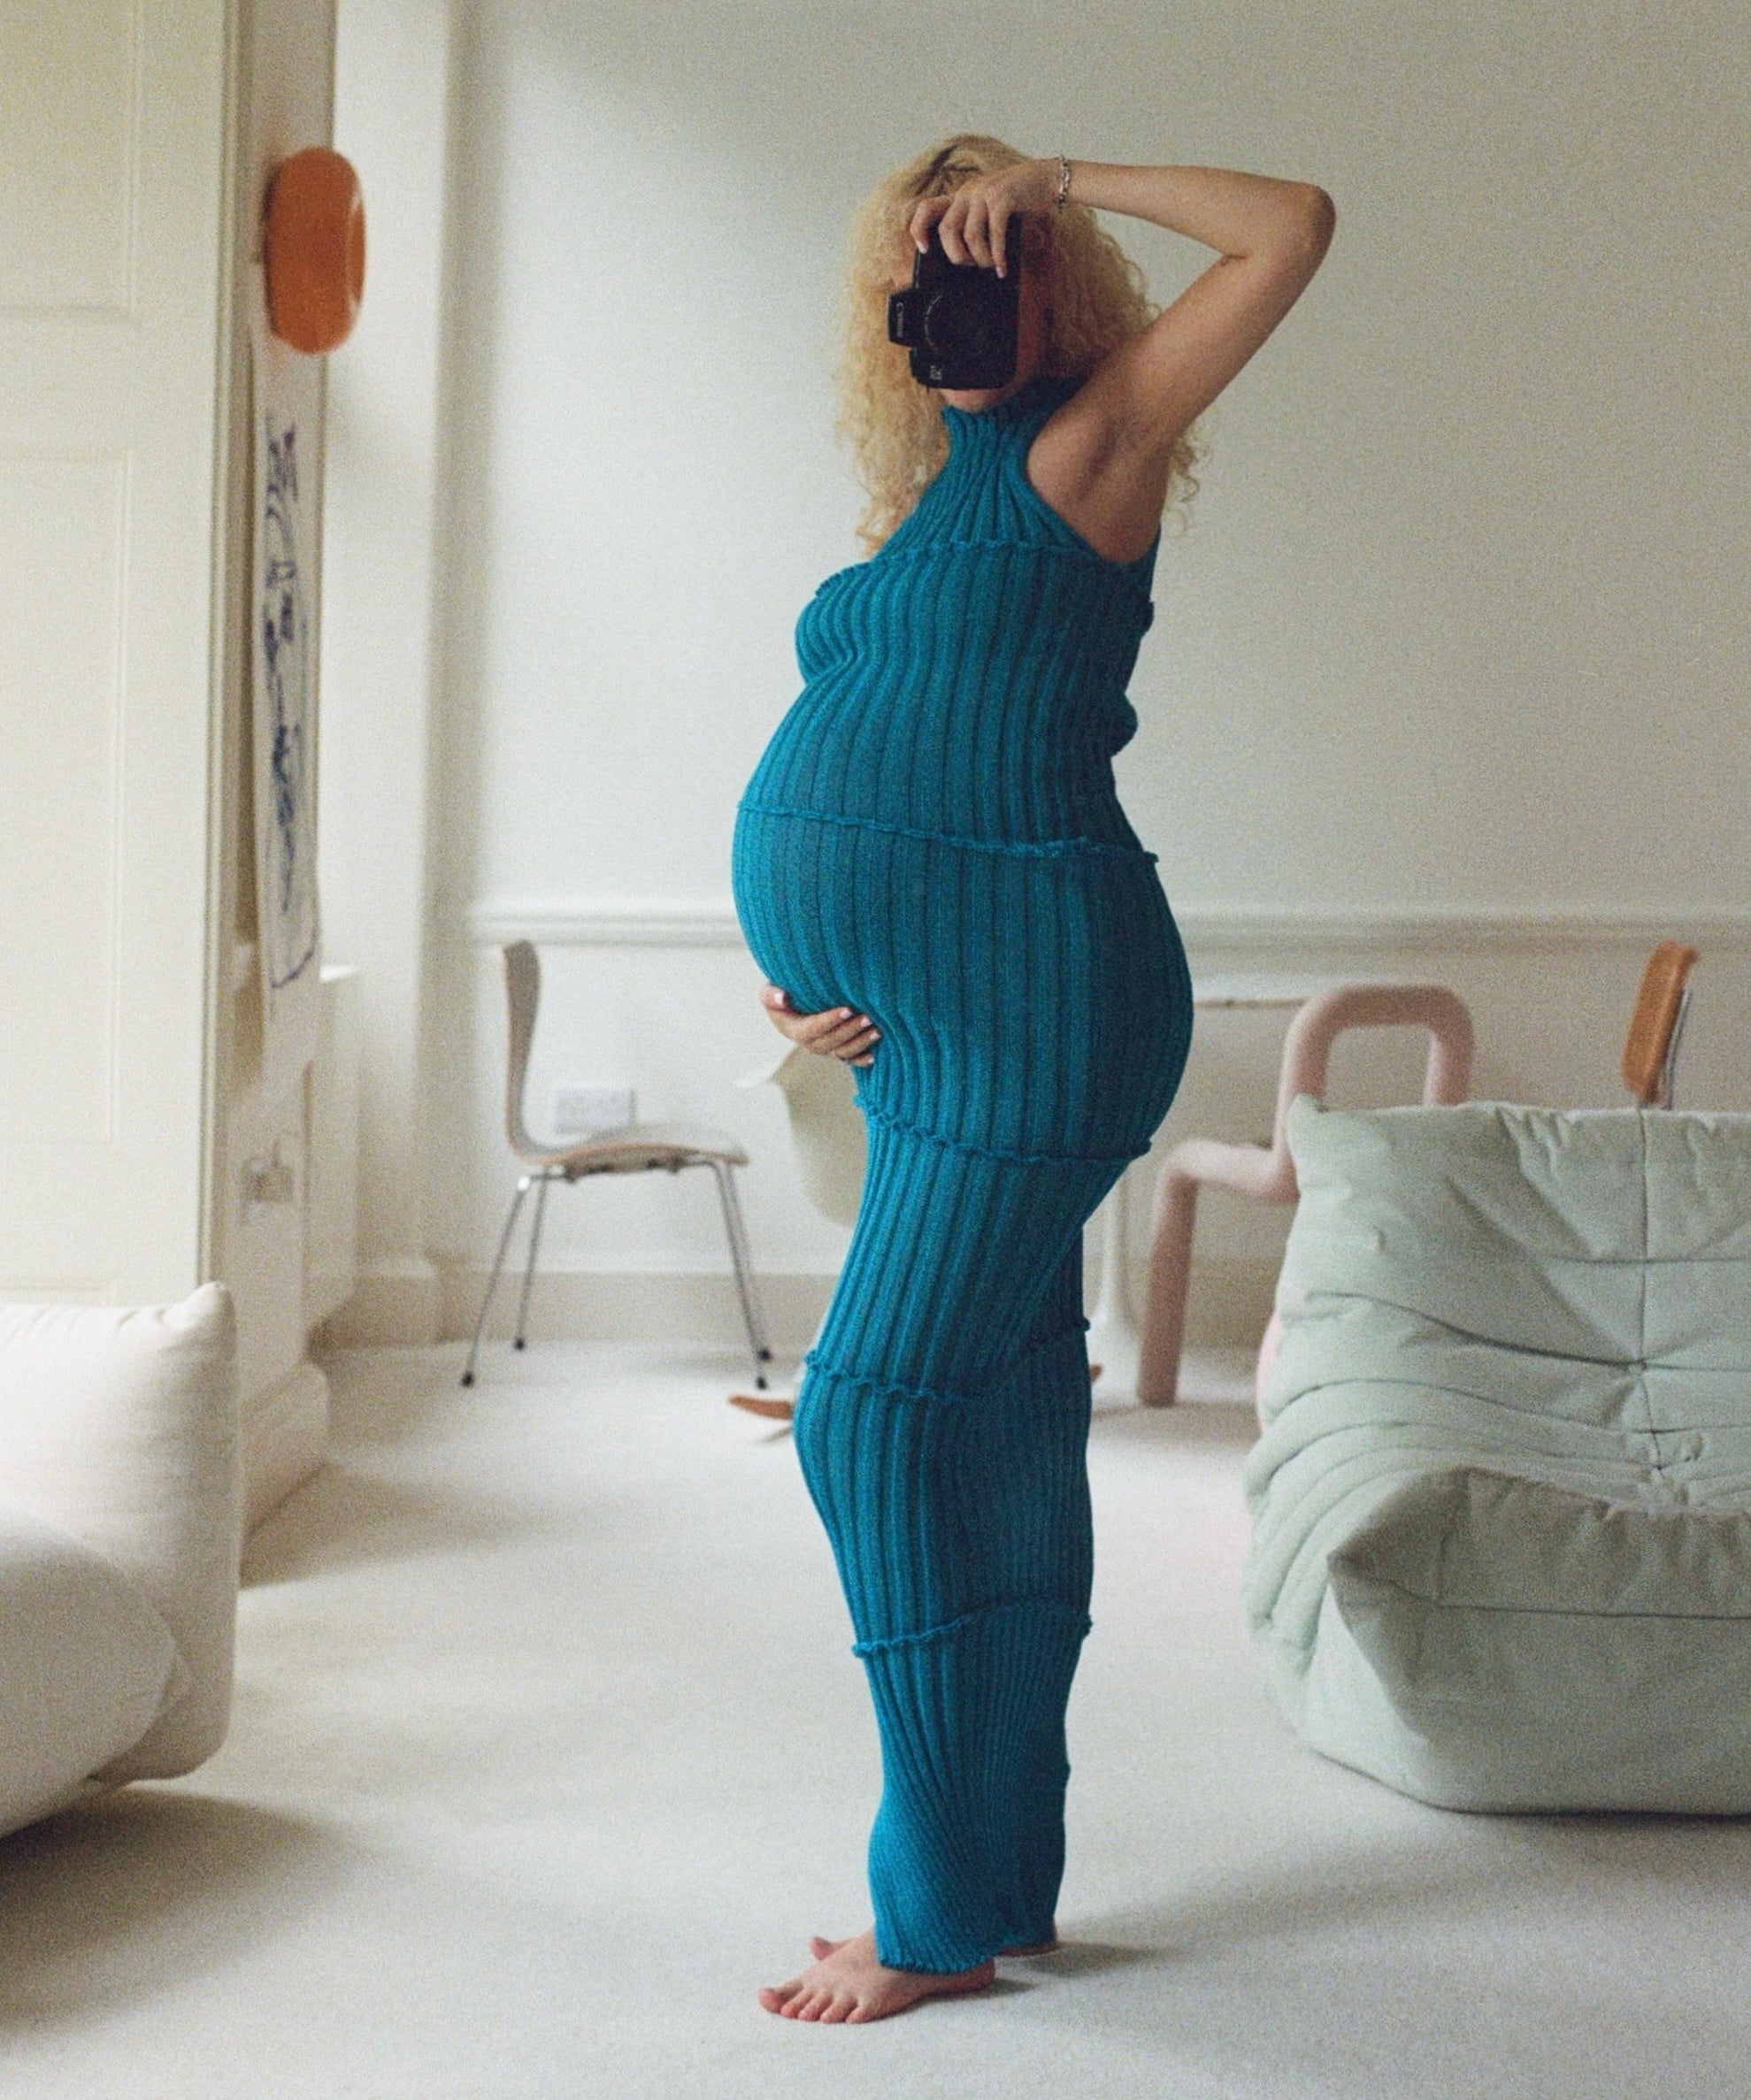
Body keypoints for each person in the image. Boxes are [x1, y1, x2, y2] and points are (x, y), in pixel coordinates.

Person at [730, 136, 1334, 2024]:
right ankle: (995, 1886)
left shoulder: (1098, 441)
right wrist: (802, 966)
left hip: (1039, 999)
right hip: (926, 1018)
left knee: (867, 1411)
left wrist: (1054, 176)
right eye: (930, 269)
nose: (963, 297)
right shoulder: (932, 504)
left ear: (1058, 282)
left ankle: (927, 1909)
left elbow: (1293, 229)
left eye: (997, 260)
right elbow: (887, 749)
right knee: (991, 1420)